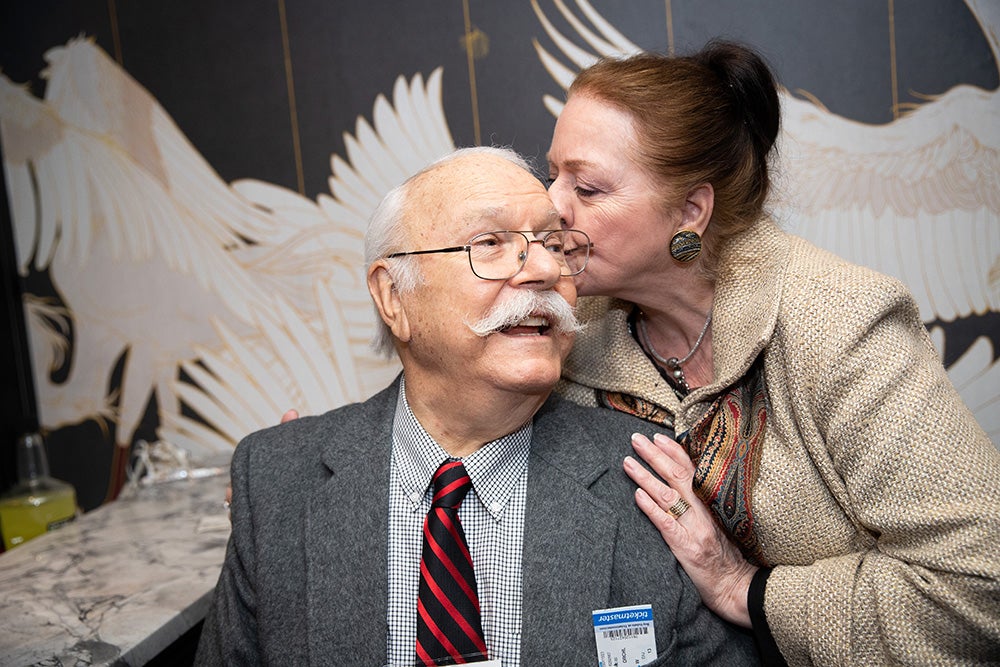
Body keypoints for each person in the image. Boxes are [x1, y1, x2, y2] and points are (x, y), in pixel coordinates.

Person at [196, 147, 758, 666]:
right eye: (489, 243)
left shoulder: (650, 481)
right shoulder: (275, 480)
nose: (545, 271)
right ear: (393, 297)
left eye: (555, 245)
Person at [545, 40, 1000, 665]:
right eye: (553, 174)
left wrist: (745, 589)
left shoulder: (841, 322)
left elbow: (980, 584)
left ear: (690, 211)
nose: (550, 206)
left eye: (588, 188)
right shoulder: (567, 337)